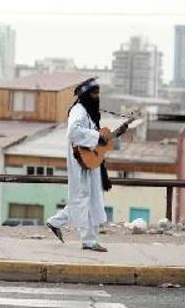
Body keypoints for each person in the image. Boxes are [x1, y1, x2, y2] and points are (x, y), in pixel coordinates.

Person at [46, 78, 125, 252]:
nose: (97, 97)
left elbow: (98, 138)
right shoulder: (79, 110)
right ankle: (88, 240)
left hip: (92, 161)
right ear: (85, 95)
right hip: (81, 162)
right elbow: (73, 132)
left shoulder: (90, 113)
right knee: (85, 199)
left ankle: (55, 222)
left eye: (98, 93)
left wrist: (113, 135)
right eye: (94, 93)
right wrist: (97, 137)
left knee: (86, 198)